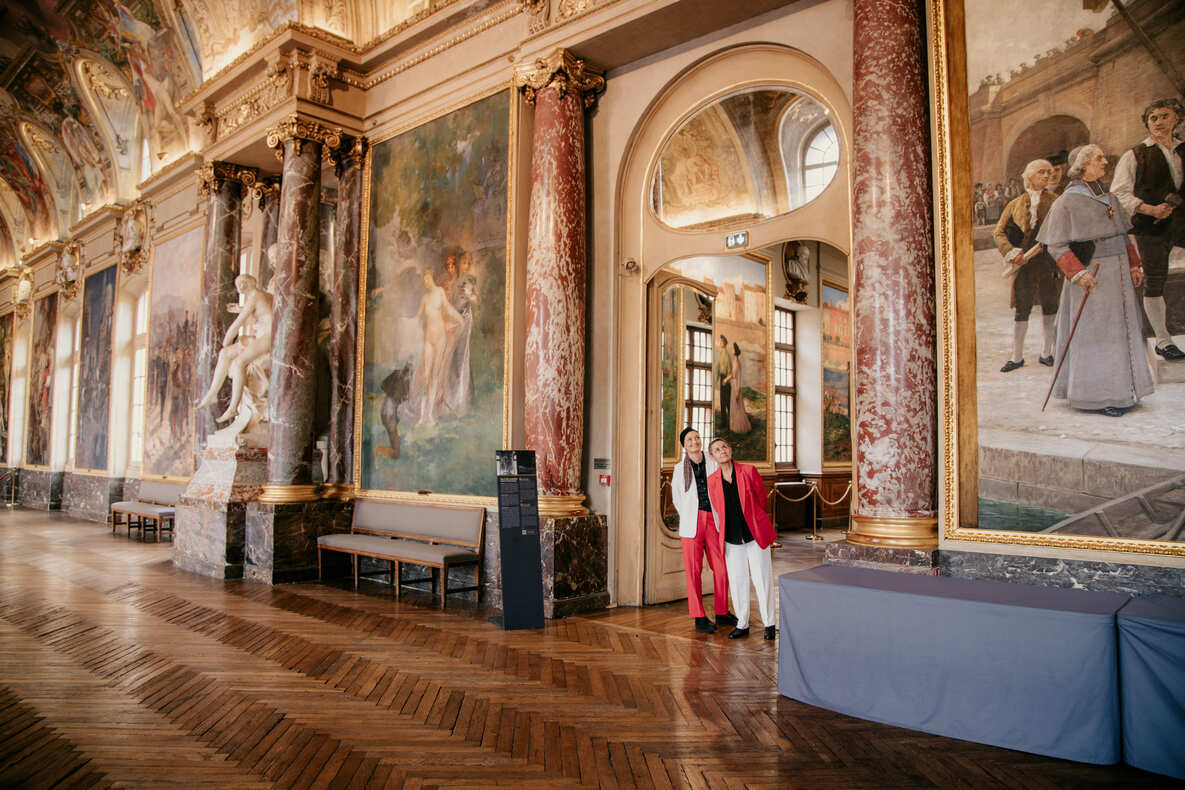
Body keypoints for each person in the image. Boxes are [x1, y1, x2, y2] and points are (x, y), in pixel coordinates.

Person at [1037, 144, 1154, 417]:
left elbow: (1123, 235)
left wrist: (1135, 264)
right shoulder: (1066, 201)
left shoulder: (1110, 197)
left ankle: (1124, 390)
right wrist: (1079, 273)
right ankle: (1098, 396)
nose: (1104, 162)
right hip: (1092, 275)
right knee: (1098, 334)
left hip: (1120, 274)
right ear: (1083, 166)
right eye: (1098, 158)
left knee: (1121, 330)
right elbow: (1055, 245)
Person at [1110, 98, 1185, 360]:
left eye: (1165, 116)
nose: (1159, 123)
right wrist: (1149, 209)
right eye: (1153, 118)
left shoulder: (1183, 150)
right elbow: (1118, 193)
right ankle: (1164, 341)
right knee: (1155, 279)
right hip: (1150, 225)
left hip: (1181, 221)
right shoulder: (1135, 155)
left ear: (1176, 119)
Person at [994, 159, 1061, 371]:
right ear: (1029, 175)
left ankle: (1047, 353)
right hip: (1023, 265)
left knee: (1050, 306)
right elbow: (999, 232)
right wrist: (1011, 253)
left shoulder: (1057, 201)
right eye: (1041, 172)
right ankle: (1017, 357)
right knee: (1022, 308)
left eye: (1048, 173)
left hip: (1048, 263)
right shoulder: (1014, 205)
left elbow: (1062, 230)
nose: (1046, 176)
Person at [707, 438, 777, 640]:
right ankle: (742, 623)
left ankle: (769, 623)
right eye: (717, 450)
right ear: (712, 457)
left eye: (725, 447)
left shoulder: (748, 471)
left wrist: (754, 518)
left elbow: (762, 498)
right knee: (737, 582)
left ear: (730, 450)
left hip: (754, 535)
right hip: (730, 539)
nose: (722, 451)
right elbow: (718, 511)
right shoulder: (712, 481)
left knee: (762, 579)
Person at [670, 428, 736, 633]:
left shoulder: (713, 462)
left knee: (722, 568)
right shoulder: (679, 469)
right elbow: (677, 498)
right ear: (684, 445)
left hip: (713, 520)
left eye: (697, 438)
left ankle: (722, 612)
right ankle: (699, 616)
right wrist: (690, 515)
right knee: (694, 571)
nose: (694, 441)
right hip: (692, 524)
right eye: (689, 439)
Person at [195, 274, 273, 423]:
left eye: (241, 283)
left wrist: (224, 342)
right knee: (225, 354)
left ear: (247, 284)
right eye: (238, 284)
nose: (240, 287)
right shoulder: (264, 296)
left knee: (238, 363)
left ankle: (233, 409)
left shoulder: (255, 296)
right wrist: (241, 309)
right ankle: (212, 393)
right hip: (261, 336)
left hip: (268, 337)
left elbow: (237, 325)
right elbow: (262, 312)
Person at [725, 343, 751, 433]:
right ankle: (735, 427)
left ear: (735, 351)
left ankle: (738, 427)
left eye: (732, 349)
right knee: (736, 407)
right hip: (735, 385)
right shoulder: (736, 361)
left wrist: (725, 380)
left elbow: (733, 375)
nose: (731, 350)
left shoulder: (736, 361)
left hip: (736, 386)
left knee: (737, 408)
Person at [715, 334, 731, 429]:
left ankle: (728, 423)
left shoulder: (726, 355)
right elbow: (717, 368)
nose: (720, 343)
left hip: (726, 380)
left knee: (726, 402)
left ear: (724, 343)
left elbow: (730, 370)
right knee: (723, 402)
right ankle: (724, 423)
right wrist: (717, 380)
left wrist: (725, 380)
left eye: (721, 341)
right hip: (722, 379)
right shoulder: (722, 354)